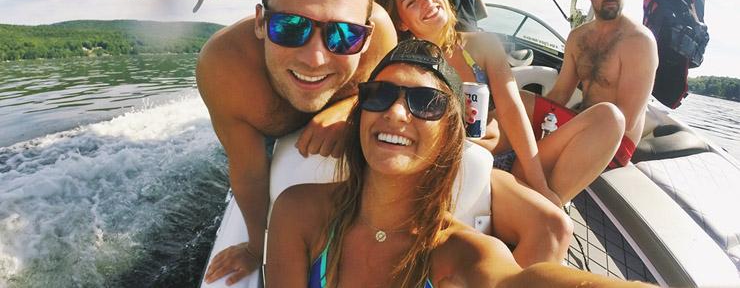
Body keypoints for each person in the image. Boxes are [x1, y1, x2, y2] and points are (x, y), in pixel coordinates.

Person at [266, 39, 656, 288]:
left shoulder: (465, 254)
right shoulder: (298, 211)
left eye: (426, 102)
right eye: (379, 94)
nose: (398, 112)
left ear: (450, 137)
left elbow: (522, 282)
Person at [376, 0, 625, 265]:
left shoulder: (481, 44)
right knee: (553, 224)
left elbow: (510, 107)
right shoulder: (409, 63)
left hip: (510, 162)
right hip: (474, 168)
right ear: (402, 22)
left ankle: (536, 205)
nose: (425, 1)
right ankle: (528, 223)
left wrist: (541, 186)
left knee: (610, 118)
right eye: (410, 2)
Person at [197, 0, 397, 285]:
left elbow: (390, 93)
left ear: (365, 37)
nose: (315, 58)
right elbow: (248, 170)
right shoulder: (224, 67)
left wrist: (353, 105)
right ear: (260, 22)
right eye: (290, 27)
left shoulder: (382, 40)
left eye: (343, 35)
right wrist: (257, 247)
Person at [528, 0, 659, 168]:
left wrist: (560, 131)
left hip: (615, 142)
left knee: (529, 157)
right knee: (522, 101)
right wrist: (528, 116)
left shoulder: (639, 41)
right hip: (579, 122)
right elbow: (560, 94)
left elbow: (625, 121)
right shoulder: (578, 38)